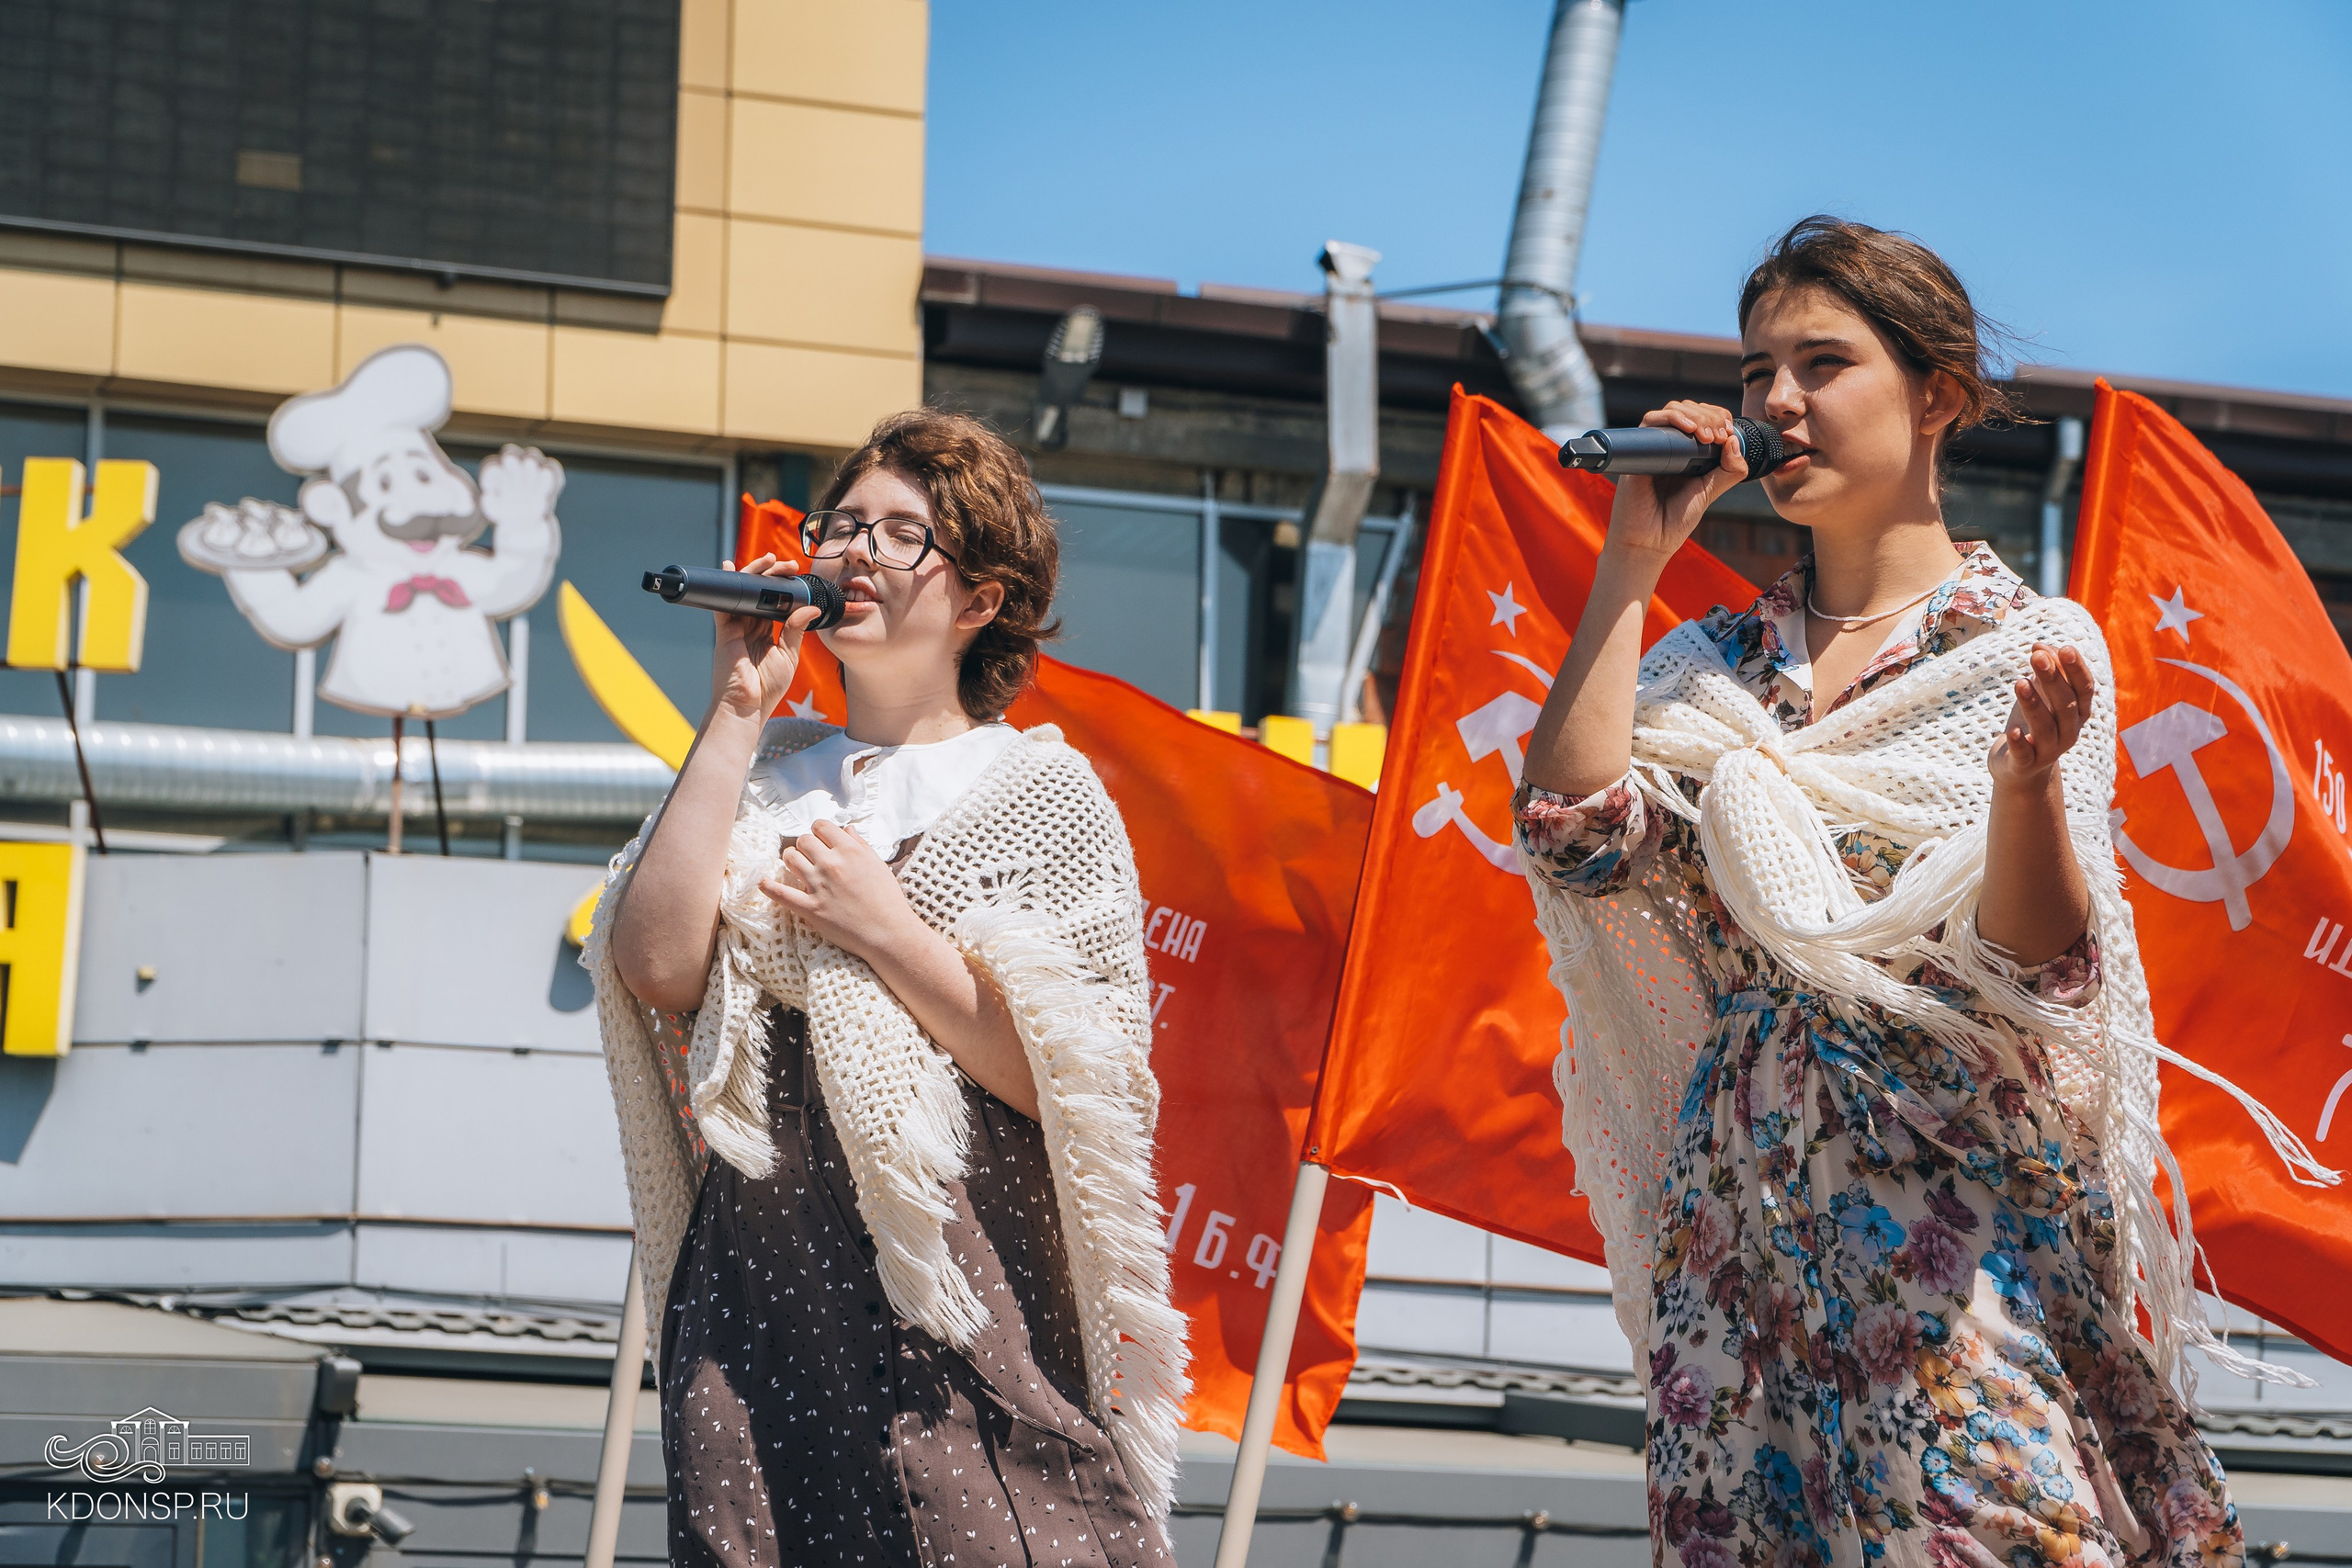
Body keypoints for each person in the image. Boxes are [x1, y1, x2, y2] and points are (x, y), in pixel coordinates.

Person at [1517, 218, 2263, 1567]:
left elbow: (2034, 966)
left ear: (1939, 395)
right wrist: (1632, 560)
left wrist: (2028, 790)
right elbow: (1574, 837)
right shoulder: (1712, 661)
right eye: (1756, 372)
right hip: (1743, 1234)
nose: (1775, 402)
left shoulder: (2024, 645)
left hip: (1958, 1219)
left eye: (1820, 362)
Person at [586, 409, 1185, 1568]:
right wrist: (736, 706)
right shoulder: (763, 774)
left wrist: (885, 930)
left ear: (982, 598)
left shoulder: (1040, 797)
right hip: (764, 1306)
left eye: (902, 535)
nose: (854, 553)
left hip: (968, 1298)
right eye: (843, 525)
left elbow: (1075, 1076)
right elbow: (656, 966)